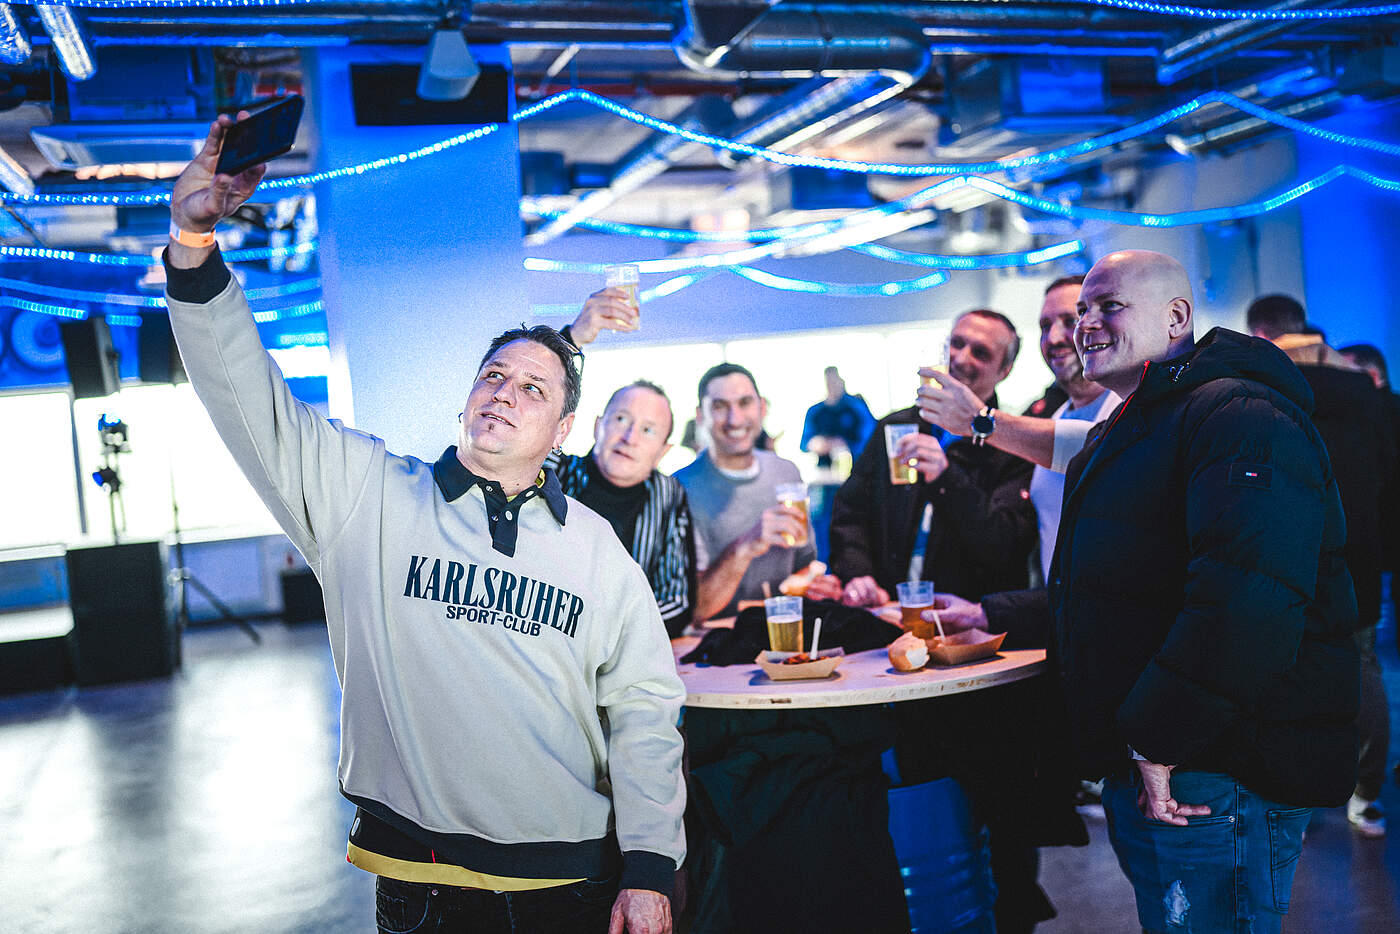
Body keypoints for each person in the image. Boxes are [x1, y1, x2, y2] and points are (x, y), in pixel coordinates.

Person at [164, 115, 684, 934]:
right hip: (423, 890)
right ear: (467, 399)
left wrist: (651, 864)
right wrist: (193, 246)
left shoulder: (596, 549)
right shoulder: (366, 496)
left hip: (571, 883)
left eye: (535, 389)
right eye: (494, 375)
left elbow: (644, 705)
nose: (506, 391)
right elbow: (248, 401)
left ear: (563, 432)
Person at [939, 250, 1360, 934]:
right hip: (1162, 755)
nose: (1085, 325)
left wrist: (1160, 738)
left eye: (1109, 306)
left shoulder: (1238, 413)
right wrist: (988, 613)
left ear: (1176, 317)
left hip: (1215, 763)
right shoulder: (1142, 422)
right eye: (1082, 310)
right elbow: (1116, 587)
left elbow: (1244, 604)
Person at [1248, 296, 1398, 839]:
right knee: (1362, 669)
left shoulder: (1260, 384)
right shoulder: (1364, 388)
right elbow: (1386, 475)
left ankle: (1293, 797)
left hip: (1280, 551)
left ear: (1261, 332)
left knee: (1277, 673)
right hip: (1357, 552)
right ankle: (1366, 795)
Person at [826, 309, 1037, 606]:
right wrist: (858, 573)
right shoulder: (895, 427)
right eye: (957, 343)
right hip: (887, 611)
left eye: (980, 353)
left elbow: (1006, 547)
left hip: (968, 619)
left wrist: (946, 477)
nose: (961, 358)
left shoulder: (1014, 446)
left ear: (1004, 370)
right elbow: (850, 511)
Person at [916, 276, 1120, 582]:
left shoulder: (1127, 406)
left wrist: (979, 421)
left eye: (1071, 320)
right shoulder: (1054, 416)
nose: (1054, 338)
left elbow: (1094, 447)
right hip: (1057, 607)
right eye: (1045, 326)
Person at [550, 292, 696, 638]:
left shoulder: (668, 494)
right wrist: (572, 339)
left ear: (663, 451)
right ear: (598, 426)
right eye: (621, 419)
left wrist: (606, 636)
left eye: (648, 430)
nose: (630, 437)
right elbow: (538, 405)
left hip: (625, 652)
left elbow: (678, 601)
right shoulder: (556, 472)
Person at [675, 363, 831, 621]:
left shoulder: (786, 472)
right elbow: (693, 611)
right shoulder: (678, 489)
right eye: (720, 406)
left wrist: (819, 585)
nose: (735, 419)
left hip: (787, 633)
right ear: (700, 416)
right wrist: (746, 546)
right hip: (716, 639)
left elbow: (806, 565)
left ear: (762, 408)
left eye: (744, 403)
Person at [799, 366, 876, 468]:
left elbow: (872, 434)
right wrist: (816, 444)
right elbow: (804, 443)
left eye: (834, 380)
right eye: (829, 381)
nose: (832, 385)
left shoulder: (856, 406)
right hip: (826, 470)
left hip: (857, 467)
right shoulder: (815, 411)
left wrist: (846, 445)